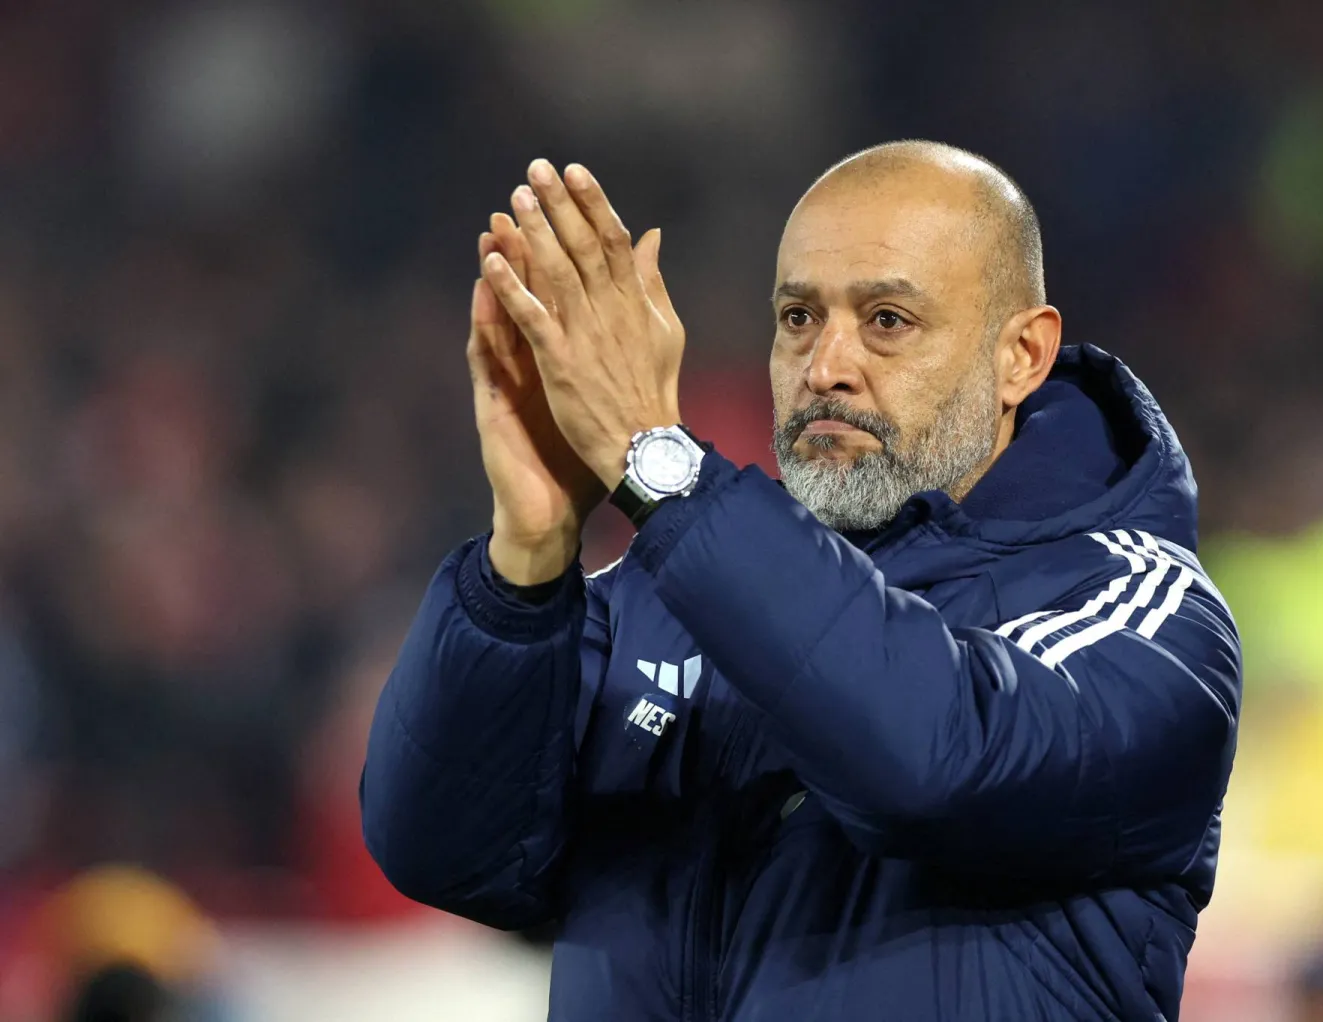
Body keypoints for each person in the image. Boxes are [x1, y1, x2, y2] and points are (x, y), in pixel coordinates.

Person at [361, 140, 1241, 1021]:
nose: (826, 368)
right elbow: (447, 852)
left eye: (888, 320)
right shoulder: (671, 591)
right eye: (798, 318)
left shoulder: (1146, 618)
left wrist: (660, 467)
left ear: (1021, 354)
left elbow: (938, 761)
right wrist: (529, 551)